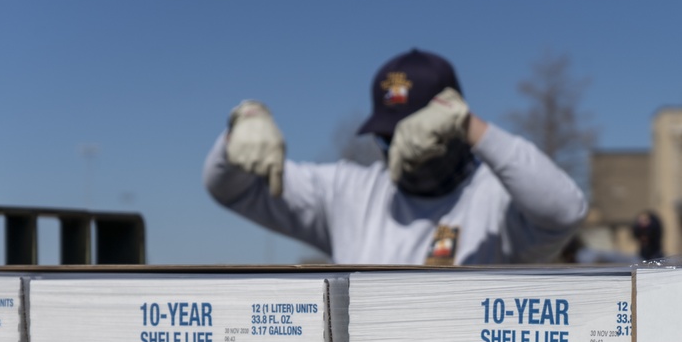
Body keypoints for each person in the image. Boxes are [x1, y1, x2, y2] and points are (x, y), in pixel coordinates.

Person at [203, 49, 588, 265]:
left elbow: (565, 211)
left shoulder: (496, 201)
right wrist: (241, 124)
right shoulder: (349, 192)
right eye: (386, 135)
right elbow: (230, 190)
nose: (398, 148)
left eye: (415, 133)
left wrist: (473, 127)